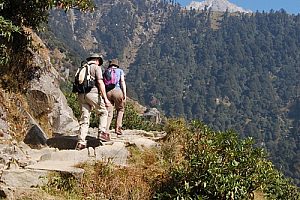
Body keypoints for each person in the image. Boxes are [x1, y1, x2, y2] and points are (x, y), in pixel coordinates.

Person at [77, 53, 111, 149]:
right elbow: (100, 82)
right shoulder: (96, 68)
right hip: (92, 93)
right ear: (97, 60)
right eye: (99, 61)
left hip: (81, 95)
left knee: (84, 119)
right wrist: (105, 99)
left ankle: (81, 142)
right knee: (103, 112)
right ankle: (102, 132)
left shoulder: (83, 67)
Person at [105, 59, 127, 135]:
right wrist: (124, 94)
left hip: (108, 92)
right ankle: (118, 128)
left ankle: (106, 130)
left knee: (109, 112)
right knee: (120, 109)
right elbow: (122, 82)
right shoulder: (120, 71)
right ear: (117, 65)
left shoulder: (106, 71)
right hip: (117, 91)